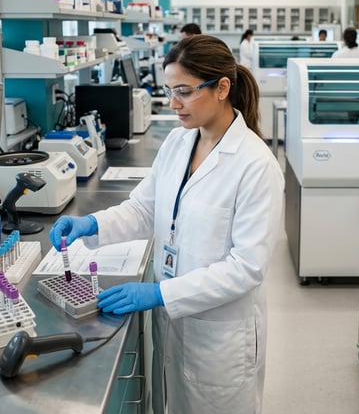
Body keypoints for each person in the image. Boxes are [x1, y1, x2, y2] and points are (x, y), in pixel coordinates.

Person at [49, 35, 284, 413]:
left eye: (184, 92)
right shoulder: (178, 142)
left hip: (218, 338)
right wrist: (91, 223)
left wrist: (162, 294)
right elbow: (145, 209)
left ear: (222, 88)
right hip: (175, 325)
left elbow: (246, 268)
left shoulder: (256, 165)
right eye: (170, 90)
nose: (174, 103)